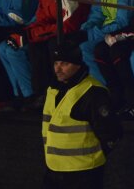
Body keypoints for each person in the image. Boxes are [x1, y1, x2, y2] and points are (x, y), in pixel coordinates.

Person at [42, 42, 122, 189]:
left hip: (83, 172)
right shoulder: (53, 89)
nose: (58, 68)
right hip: (54, 168)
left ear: (78, 64)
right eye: (56, 63)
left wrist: (96, 156)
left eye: (64, 63)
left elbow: (111, 132)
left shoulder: (93, 92)